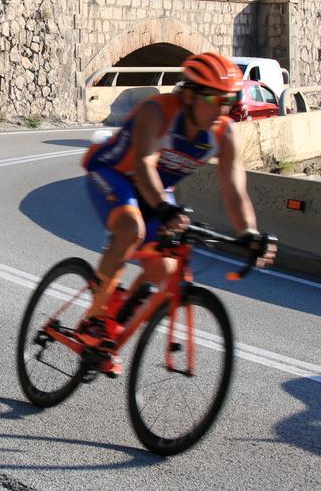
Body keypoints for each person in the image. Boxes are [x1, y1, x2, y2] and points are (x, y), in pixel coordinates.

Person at [79, 52, 276, 375]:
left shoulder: (223, 133)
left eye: (228, 99)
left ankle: (113, 329)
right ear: (189, 94)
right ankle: (96, 316)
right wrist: (164, 208)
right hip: (114, 171)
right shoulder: (158, 112)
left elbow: (234, 189)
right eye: (212, 98)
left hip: (154, 189)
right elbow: (143, 164)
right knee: (132, 229)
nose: (220, 108)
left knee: (167, 266)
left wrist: (250, 234)